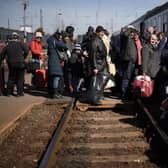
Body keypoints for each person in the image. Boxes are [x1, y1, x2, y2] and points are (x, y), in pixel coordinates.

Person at [0, 32, 29, 96]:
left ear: (12, 38)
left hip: (11, 64)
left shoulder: (7, 46)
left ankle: (8, 93)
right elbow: (27, 50)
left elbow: (2, 55)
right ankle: (19, 93)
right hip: (20, 63)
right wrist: (24, 57)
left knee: (11, 78)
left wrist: (1, 60)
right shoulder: (20, 44)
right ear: (18, 38)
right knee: (20, 78)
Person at [87, 25, 109, 105]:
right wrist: (95, 67)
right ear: (97, 32)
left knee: (101, 81)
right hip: (98, 65)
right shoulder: (95, 41)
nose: (102, 33)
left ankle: (98, 97)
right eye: (101, 32)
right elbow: (93, 55)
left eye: (103, 32)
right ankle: (94, 99)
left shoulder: (99, 39)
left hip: (102, 64)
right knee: (96, 83)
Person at [47, 31, 68, 99]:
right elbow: (64, 45)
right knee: (57, 78)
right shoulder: (55, 41)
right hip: (55, 62)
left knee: (53, 78)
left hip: (51, 62)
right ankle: (55, 94)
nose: (60, 38)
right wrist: (61, 40)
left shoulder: (50, 41)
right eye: (60, 36)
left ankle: (53, 93)